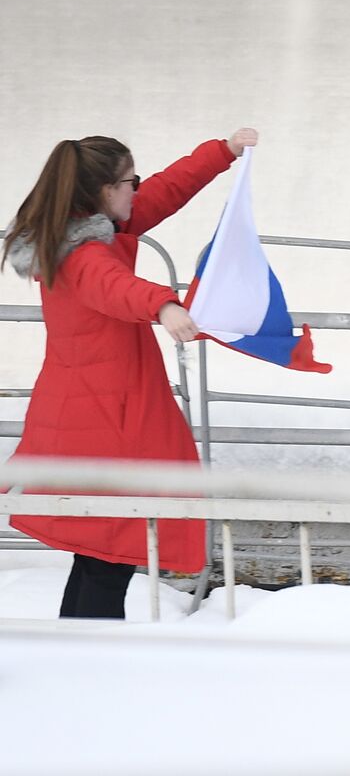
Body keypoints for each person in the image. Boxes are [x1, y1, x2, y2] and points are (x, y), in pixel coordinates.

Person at [1, 128, 258, 618]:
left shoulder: (92, 231)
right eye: (129, 181)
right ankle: (97, 665)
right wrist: (162, 305)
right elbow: (114, 287)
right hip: (104, 422)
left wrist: (222, 152)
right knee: (110, 552)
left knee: (100, 553)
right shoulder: (86, 254)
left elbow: (166, 190)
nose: (137, 190)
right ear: (102, 191)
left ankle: (85, 655)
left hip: (88, 412)